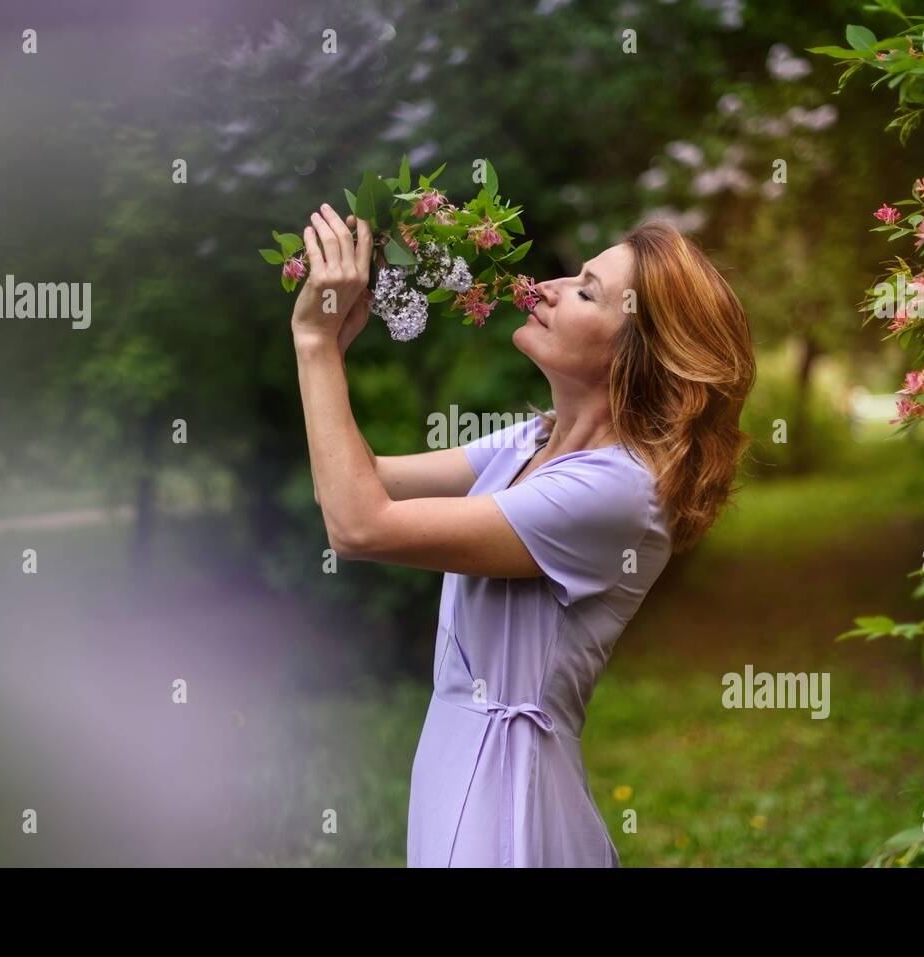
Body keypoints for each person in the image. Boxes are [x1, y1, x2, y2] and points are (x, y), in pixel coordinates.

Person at [291, 203, 756, 866]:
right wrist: (332, 346)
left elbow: (359, 525)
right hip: (454, 760)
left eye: (586, 291)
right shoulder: (534, 440)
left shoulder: (617, 492)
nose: (546, 288)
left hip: (506, 797)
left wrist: (312, 346)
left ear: (637, 357)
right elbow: (354, 480)